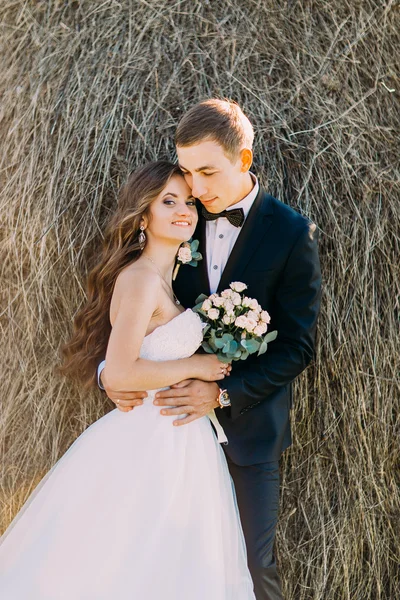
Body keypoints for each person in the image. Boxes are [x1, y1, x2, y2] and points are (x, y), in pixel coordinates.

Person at [0, 161, 256, 600]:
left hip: (180, 442)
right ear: (143, 217)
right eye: (169, 201)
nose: (185, 211)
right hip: (150, 443)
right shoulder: (139, 280)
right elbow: (119, 372)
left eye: (189, 202)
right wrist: (196, 366)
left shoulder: (166, 282)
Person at [99, 100, 322, 600]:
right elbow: (135, 315)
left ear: (244, 160)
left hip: (249, 434)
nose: (195, 191)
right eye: (186, 174)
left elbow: (296, 346)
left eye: (206, 172)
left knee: (250, 568)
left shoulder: (291, 234)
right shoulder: (179, 218)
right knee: (161, 566)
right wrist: (110, 376)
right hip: (166, 435)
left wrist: (220, 393)